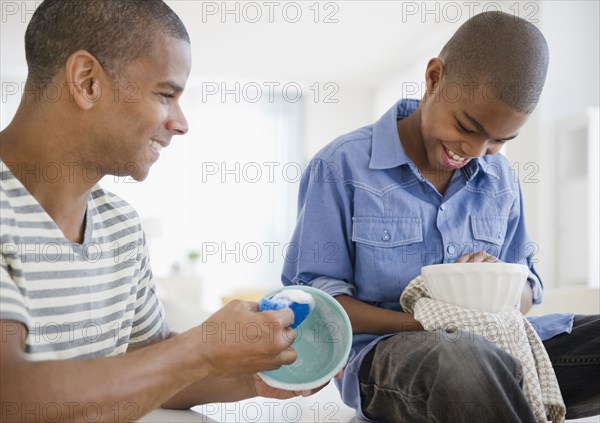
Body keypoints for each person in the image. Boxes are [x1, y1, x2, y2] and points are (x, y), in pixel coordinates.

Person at [0, 1, 324, 422]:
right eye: (166, 95)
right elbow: (11, 395)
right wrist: (201, 348)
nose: (182, 123)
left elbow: (150, 364)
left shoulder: (120, 226)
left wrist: (258, 373)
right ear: (87, 82)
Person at [282, 11, 600, 423]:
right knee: (462, 357)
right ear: (434, 77)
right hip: (392, 355)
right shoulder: (340, 166)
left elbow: (525, 285)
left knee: (482, 356)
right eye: (467, 126)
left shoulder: (500, 177)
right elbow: (321, 302)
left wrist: (494, 283)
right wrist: (435, 320)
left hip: (508, 345)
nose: (475, 149)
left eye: (499, 141)